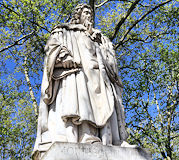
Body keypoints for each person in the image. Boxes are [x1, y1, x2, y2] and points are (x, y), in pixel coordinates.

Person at [33, 4, 132, 159]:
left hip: (100, 78)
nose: (89, 15)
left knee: (106, 106)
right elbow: (53, 47)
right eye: (86, 12)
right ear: (78, 15)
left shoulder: (99, 37)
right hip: (80, 77)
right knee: (81, 107)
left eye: (91, 13)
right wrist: (64, 56)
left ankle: (110, 141)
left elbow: (110, 59)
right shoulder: (65, 31)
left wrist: (103, 46)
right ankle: (85, 137)